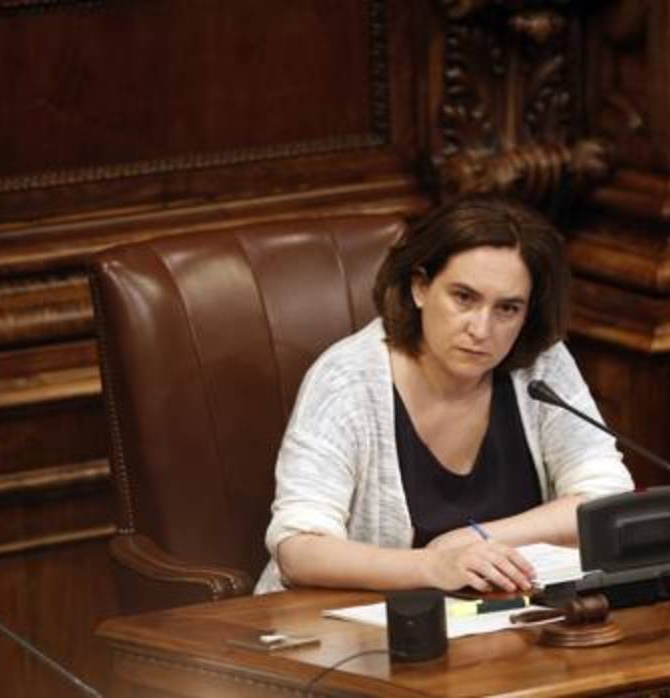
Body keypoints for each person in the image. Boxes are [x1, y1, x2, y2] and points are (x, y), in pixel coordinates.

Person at [255, 195, 633, 595]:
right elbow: (298, 550)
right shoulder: (348, 380)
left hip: (502, 619)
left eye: (507, 309)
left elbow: (607, 497)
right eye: (464, 298)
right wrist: (433, 566)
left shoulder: (540, 363)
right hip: (343, 624)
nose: (481, 329)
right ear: (420, 287)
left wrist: (475, 538)